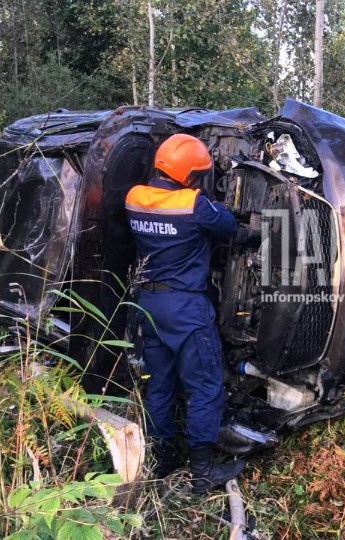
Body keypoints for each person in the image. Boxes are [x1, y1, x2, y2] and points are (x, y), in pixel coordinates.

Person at [125, 133, 245, 494]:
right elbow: (229, 228)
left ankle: (163, 460)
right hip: (185, 309)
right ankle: (203, 472)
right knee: (205, 385)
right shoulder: (194, 204)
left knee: (159, 385)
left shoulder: (135, 198)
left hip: (148, 305)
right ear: (190, 174)